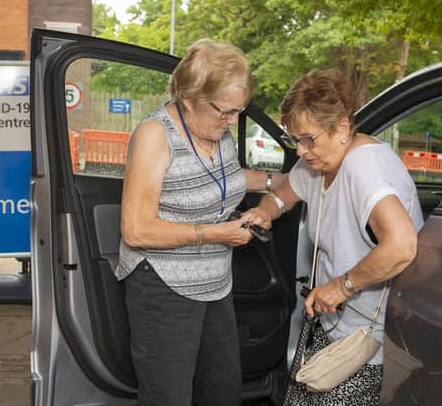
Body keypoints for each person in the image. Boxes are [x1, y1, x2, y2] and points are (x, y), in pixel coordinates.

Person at [116, 38, 285, 406]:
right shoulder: (154, 136)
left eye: (239, 110)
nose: (233, 120)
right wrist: (215, 234)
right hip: (164, 288)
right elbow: (135, 229)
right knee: (168, 398)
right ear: (188, 97)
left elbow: (221, 177)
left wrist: (283, 183)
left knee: (222, 393)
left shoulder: (216, 129)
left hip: (215, 284)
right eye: (225, 111)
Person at [250, 69, 424, 405]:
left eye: (308, 139)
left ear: (342, 127)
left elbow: (402, 246)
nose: (300, 151)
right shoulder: (319, 163)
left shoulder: (366, 169)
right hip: (330, 328)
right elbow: (282, 195)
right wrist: (265, 212)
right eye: (294, 139)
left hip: (364, 344)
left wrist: (342, 286)